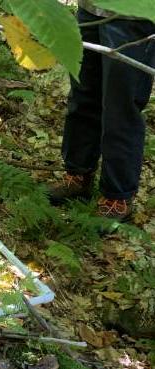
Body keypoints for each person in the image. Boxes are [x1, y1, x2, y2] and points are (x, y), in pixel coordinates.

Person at [48, 0, 154, 222]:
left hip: (133, 17)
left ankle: (117, 195)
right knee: (83, 94)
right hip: (91, 9)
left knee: (121, 106)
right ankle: (78, 174)